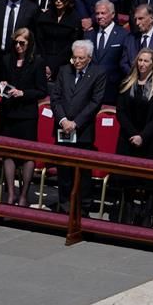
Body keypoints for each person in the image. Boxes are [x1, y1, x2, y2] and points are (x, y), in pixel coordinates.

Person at [114, 47, 153, 224]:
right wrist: (133, 134)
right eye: (140, 60)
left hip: (150, 140)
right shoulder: (126, 83)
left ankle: (147, 216)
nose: (142, 64)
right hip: (128, 138)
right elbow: (121, 112)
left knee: (149, 182)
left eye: (146, 61)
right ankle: (127, 214)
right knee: (128, 179)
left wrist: (142, 136)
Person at [51, 39, 106, 212]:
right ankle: (64, 204)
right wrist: (63, 120)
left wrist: (76, 123)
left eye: (81, 58)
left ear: (89, 58)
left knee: (82, 171)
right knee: (64, 169)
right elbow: (55, 98)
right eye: (75, 58)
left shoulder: (98, 73)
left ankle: (83, 205)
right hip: (63, 127)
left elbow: (95, 102)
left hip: (83, 130)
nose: (77, 61)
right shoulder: (64, 71)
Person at [0, 27, 46, 205]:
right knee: (8, 153)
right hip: (9, 112)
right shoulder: (6, 60)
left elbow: (41, 90)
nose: (18, 46)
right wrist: (2, 86)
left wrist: (23, 93)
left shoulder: (37, 62)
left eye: (22, 43)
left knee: (27, 155)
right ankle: (11, 193)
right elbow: (0, 81)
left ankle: (24, 194)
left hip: (26, 115)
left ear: (29, 44)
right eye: (16, 42)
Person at [36, 0, 79, 78]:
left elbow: (72, 44)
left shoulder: (74, 19)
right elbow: (39, 41)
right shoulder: (44, 17)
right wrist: (45, 64)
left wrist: (53, 65)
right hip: (43, 60)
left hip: (64, 62)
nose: (58, 1)